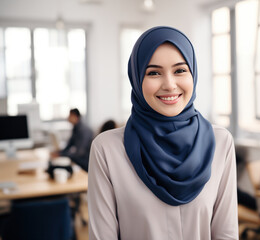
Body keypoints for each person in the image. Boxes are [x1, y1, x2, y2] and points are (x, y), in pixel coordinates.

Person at [88, 26, 238, 240]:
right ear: (137, 78)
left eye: (180, 70)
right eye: (154, 73)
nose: (169, 84)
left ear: (193, 73)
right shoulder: (107, 150)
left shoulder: (221, 142)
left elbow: (226, 234)